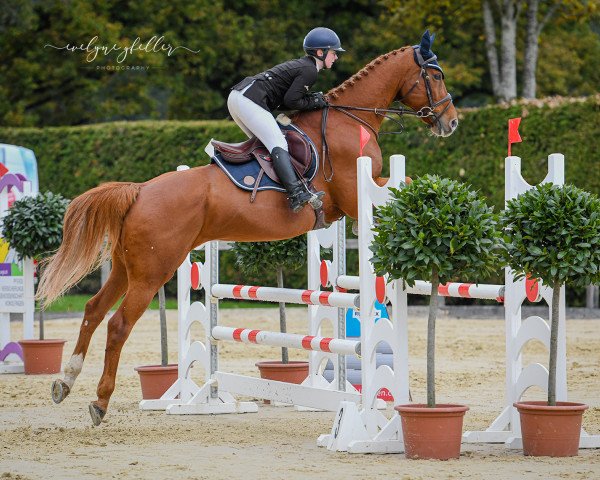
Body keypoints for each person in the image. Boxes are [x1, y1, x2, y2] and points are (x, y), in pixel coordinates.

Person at [227, 27, 344, 212]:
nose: (336, 57)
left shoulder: (305, 66)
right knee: (278, 142)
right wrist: (314, 102)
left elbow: (286, 100)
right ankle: (296, 193)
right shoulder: (310, 70)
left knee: (265, 147)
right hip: (249, 99)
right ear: (320, 53)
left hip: (239, 97)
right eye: (333, 53)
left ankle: (264, 191)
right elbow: (292, 101)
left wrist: (311, 99)